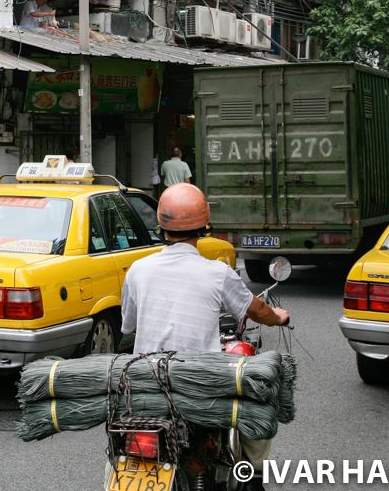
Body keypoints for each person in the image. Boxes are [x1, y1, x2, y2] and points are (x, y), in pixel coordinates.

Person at [120, 183, 290, 491]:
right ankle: (252, 476)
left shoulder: (137, 270)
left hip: (145, 384)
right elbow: (256, 309)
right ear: (204, 227)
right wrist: (278, 317)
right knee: (259, 401)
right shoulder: (217, 273)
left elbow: (128, 327)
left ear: (161, 226)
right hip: (199, 384)